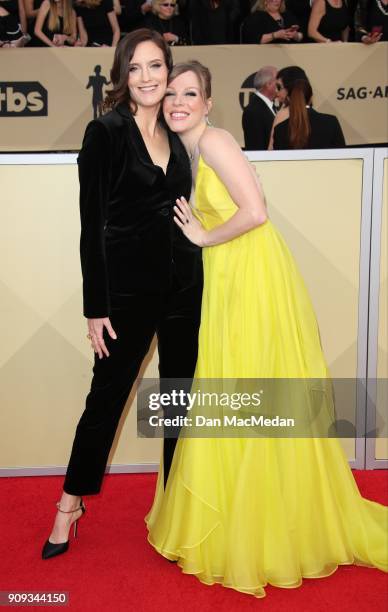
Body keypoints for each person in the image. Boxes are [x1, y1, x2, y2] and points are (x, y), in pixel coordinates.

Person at [145, 60, 387, 598]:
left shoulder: (216, 143)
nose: (178, 102)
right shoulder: (193, 149)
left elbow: (256, 212)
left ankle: (257, 526)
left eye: (191, 94)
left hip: (250, 277)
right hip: (235, 277)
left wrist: (206, 239)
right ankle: (247, 514)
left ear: (209, 102)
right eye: (171, 95)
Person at [41, 29, 203, 560]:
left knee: (178, 399)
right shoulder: (105, 133)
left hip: (184, 287)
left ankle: (177, 508)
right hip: (127, 295)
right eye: (135, 68)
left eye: (156, 66)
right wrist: (96, 308)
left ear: (168, 69)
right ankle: (69, 504)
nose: (148, 77)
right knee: (105, 402)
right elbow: (93, 227)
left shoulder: (180, 133)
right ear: (122, 75)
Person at [270, 66, 346, 149]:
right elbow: (343, 155)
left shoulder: (280, 128)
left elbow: (273, 157)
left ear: (289, 94)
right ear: (311, 96)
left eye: (279, 87)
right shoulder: (331, 122)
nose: (276, 92)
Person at [242, 65, 277, 150]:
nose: (281, 84)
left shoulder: (272, 107)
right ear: (268, 84)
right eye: (278, 81)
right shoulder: (253, 111)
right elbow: (256, 147)